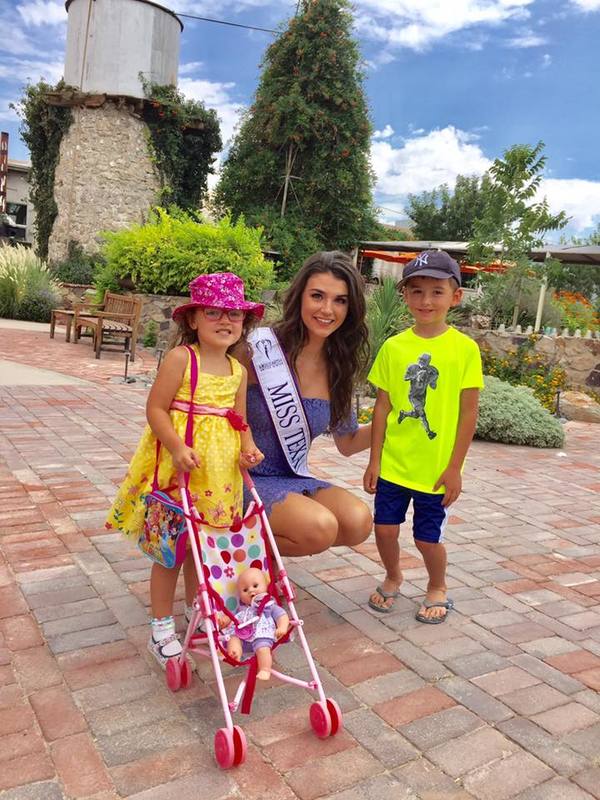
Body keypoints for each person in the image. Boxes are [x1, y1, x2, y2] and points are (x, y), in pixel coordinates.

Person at [106, 272, 265, 667]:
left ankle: (201, 611)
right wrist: (176, 447)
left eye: (234, 314)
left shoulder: (238, 369)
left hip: (219, 478)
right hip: (178, 476)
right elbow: (156, 408)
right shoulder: (183, 359)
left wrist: (248, 446)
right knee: (171, 553)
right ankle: (161, 627)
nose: (225, 321)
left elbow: (239, 417)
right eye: (214, 312)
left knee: (205, 550)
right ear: (193, 319)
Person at [363, 250, 484, 622]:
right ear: (404, 295)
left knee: (426, 538)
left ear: (455, 296)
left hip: (434, 472)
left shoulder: (464, 350)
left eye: (436, 291)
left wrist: (454, 468)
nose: (426, 300)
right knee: (383, 528)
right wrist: (374, 459)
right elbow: (382, 407)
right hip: (394, 466)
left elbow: (468, 413)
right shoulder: (394, 347)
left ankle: (437, 586)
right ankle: (393, 575)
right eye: (416, 291)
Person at [236, 251, 372, 557]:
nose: (327, 309)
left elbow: (348, 442)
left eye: (340, 300)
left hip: (291, 476)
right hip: (240, 476)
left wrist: (393, 421)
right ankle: (232, 556)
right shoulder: (257, 349)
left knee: (357, 522)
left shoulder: (337, 367)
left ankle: (248, 552)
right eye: (317, 296)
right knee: (319, 527)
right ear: (300, 297)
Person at [223, 567, 290, 681]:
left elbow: (282, 615)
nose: (250, 590)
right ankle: (235, 653)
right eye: (245, 590)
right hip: (242, 637)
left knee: (262, 648)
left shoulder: (269, 605)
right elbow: (231, 617)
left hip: (261, 635)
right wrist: (223, 621)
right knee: (232, 638)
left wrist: (282, 627)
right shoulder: (242, 608)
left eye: (255, 586)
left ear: (266, 587)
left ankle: (265, 669)